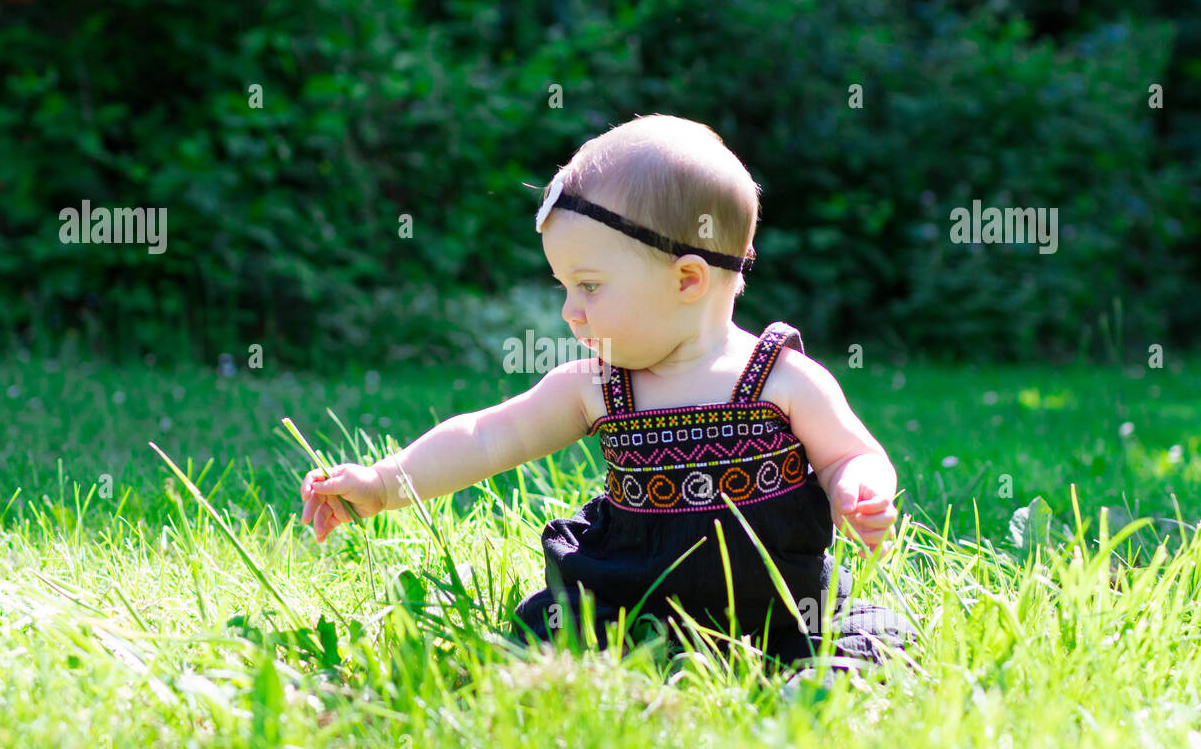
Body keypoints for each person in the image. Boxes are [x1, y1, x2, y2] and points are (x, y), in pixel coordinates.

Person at [300, 113, 919, 678]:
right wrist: (383, 484)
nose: (571, 311)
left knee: (861, 649)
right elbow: (487, 437)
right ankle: (611, 678)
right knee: (552, 641)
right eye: (565, 287)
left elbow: (849, 453)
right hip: (630, 609)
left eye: (590, 286)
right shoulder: (597, 386)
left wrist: (858, 487)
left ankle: (798, 688)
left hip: (781, 613)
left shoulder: (779, 378)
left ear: (687, 279)